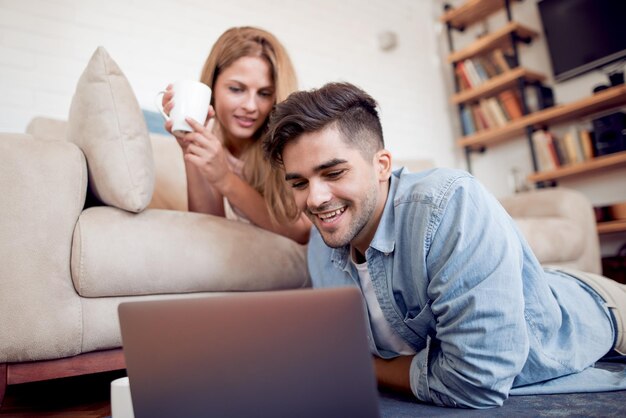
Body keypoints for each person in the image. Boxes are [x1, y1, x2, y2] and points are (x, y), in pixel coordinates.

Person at [263, 82, 626, 409]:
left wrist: (361, 366)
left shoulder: (449, 202)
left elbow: (475, 381)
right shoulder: (319, 243)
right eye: (298, 183)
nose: (315, 198)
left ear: (382, 165)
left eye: (333, 173)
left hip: (601, 308)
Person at [162, 26, 310, 243]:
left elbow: (302, 233)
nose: (251, 106)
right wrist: (189, 147)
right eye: (237, 89)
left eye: (264, 93)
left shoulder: (286, 143)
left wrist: (225, 179)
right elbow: (208, 228)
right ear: (212, 86)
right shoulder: (211, 138)